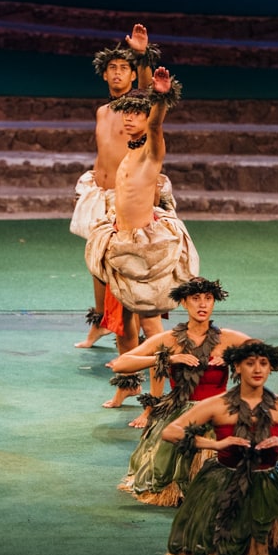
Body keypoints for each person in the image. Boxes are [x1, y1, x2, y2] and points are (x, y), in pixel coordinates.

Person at [84, 67, 200, 425]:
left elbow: (156, 127)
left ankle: (155, 401)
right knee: (122, 328)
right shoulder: (127, 154)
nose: (131, 119)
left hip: (144, 253)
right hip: (121, 247)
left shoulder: (151, 151)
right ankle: (128, 385)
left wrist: (160, 99)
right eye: (128, 113)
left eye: (138, 113)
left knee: (153, 333)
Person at [162, 340, 278, 555]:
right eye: (250, 363)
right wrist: (215, 443)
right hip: (226, 481)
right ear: (236, 367)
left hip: (270, 480)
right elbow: (170, 432)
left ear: (270, 368)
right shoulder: (218, 404)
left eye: (263, 364)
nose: (257, 369)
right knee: (225, 543)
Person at [107, 278, 269, 505]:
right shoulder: (170, 339)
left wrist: (238, 358)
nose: (202, 304)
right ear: (184, 303)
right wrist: (168, 358)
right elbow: (122, 364)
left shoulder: (228, 338)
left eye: (208, 299)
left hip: (219, 412)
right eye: (195, 299)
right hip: (180, 415)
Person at [72, 23, 165, 351]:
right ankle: (100, 324)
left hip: (129, 198)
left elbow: (151, 92)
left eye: (123, 69)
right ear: (103, 75)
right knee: (97, 263)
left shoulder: (136, 109)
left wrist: (141, 56)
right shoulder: (101, 112)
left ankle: (137, 328)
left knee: (129, 265)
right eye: (111, 68)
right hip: (100, 195)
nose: (116, 74)